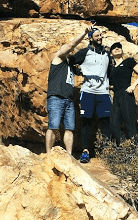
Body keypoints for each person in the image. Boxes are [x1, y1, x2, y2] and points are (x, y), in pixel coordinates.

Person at [45, 25, 90, 154]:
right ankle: (48, 154)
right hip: (56, 97)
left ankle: (69, 155)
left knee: (69, 128)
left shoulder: (71, 66)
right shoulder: (58, 59)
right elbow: (70, 46)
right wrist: (84, 33)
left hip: (69, 100)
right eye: (68, 49)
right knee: (53, 126)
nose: (71, 51)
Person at [70, 27, 112, 156]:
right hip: (87, 91)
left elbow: (109, 72)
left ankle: (105, 151)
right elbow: (70, 62)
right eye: (97, 36)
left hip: (103, 93)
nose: (100, 37)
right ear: (90, 38)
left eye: (101, 35)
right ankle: (85, 151)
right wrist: (78, 72)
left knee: (106, 121)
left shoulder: (107, 54)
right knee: (86, 121)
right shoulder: (84, 52)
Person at [108, 42, 138, 141]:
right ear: (111, 53)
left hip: (126, 94)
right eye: (114, 48)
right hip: (116, 97)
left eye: (119, 47)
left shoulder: (128, 61)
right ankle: (125, 145)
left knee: (130, 124)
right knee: (113, 124)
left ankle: (134, 152)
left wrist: (133, 85)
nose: (117, 48)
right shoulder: (111, 68)